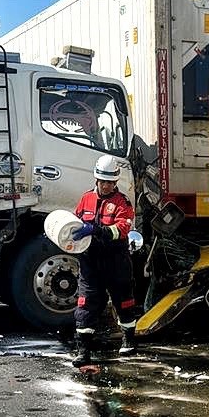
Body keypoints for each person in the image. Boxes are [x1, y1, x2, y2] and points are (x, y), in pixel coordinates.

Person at [71, 155, 137, 367]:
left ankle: (128, 340)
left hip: (115, 261)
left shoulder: (122, 203)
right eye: (104, 181)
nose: (107, 186)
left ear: (116, 182)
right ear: (96, 180)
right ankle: (83, 352)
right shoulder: (86, 199)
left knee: (124, 302)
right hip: (90, 262)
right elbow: (75, 221)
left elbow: (122, 229)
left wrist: (96, 230)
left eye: (111, 182)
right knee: (86, 305)